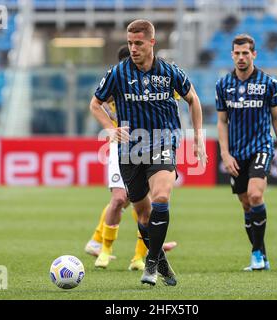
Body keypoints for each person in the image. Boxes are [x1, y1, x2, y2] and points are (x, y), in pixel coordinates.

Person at [90, 19, 207, 286]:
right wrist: (110, 128)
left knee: (162, 197)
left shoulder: (169, 72)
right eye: (130, 43)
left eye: (138, 43)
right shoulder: (118, 73)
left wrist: (198, 137)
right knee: (143, 214)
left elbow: (194, 99)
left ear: (152, 43)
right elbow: (95, 104)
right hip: (130, 152)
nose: (133, 48)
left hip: (163, 143)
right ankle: (161, 263)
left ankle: (151, 264)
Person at [85, 45, 177, 271]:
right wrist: (110, 125)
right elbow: (96, 104)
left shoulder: (156, 79)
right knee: (119, 198)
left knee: (140, 202)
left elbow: (176, 96)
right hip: (122, 147)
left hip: (151, 144)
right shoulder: (116, 79)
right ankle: (102, 246)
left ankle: (138, 254)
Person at [216, 34, 277, 271]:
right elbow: (222, 122)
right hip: (237, 153)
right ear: (232, 55)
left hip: (261, 147)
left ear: (254, 54)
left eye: (245, 53)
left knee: (256, 195)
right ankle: (262, 256)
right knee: (246, 204)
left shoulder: (269, 83)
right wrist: (225, 154)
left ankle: (256, 253)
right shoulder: (223, 85)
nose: (241, 57)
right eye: (237, 53)